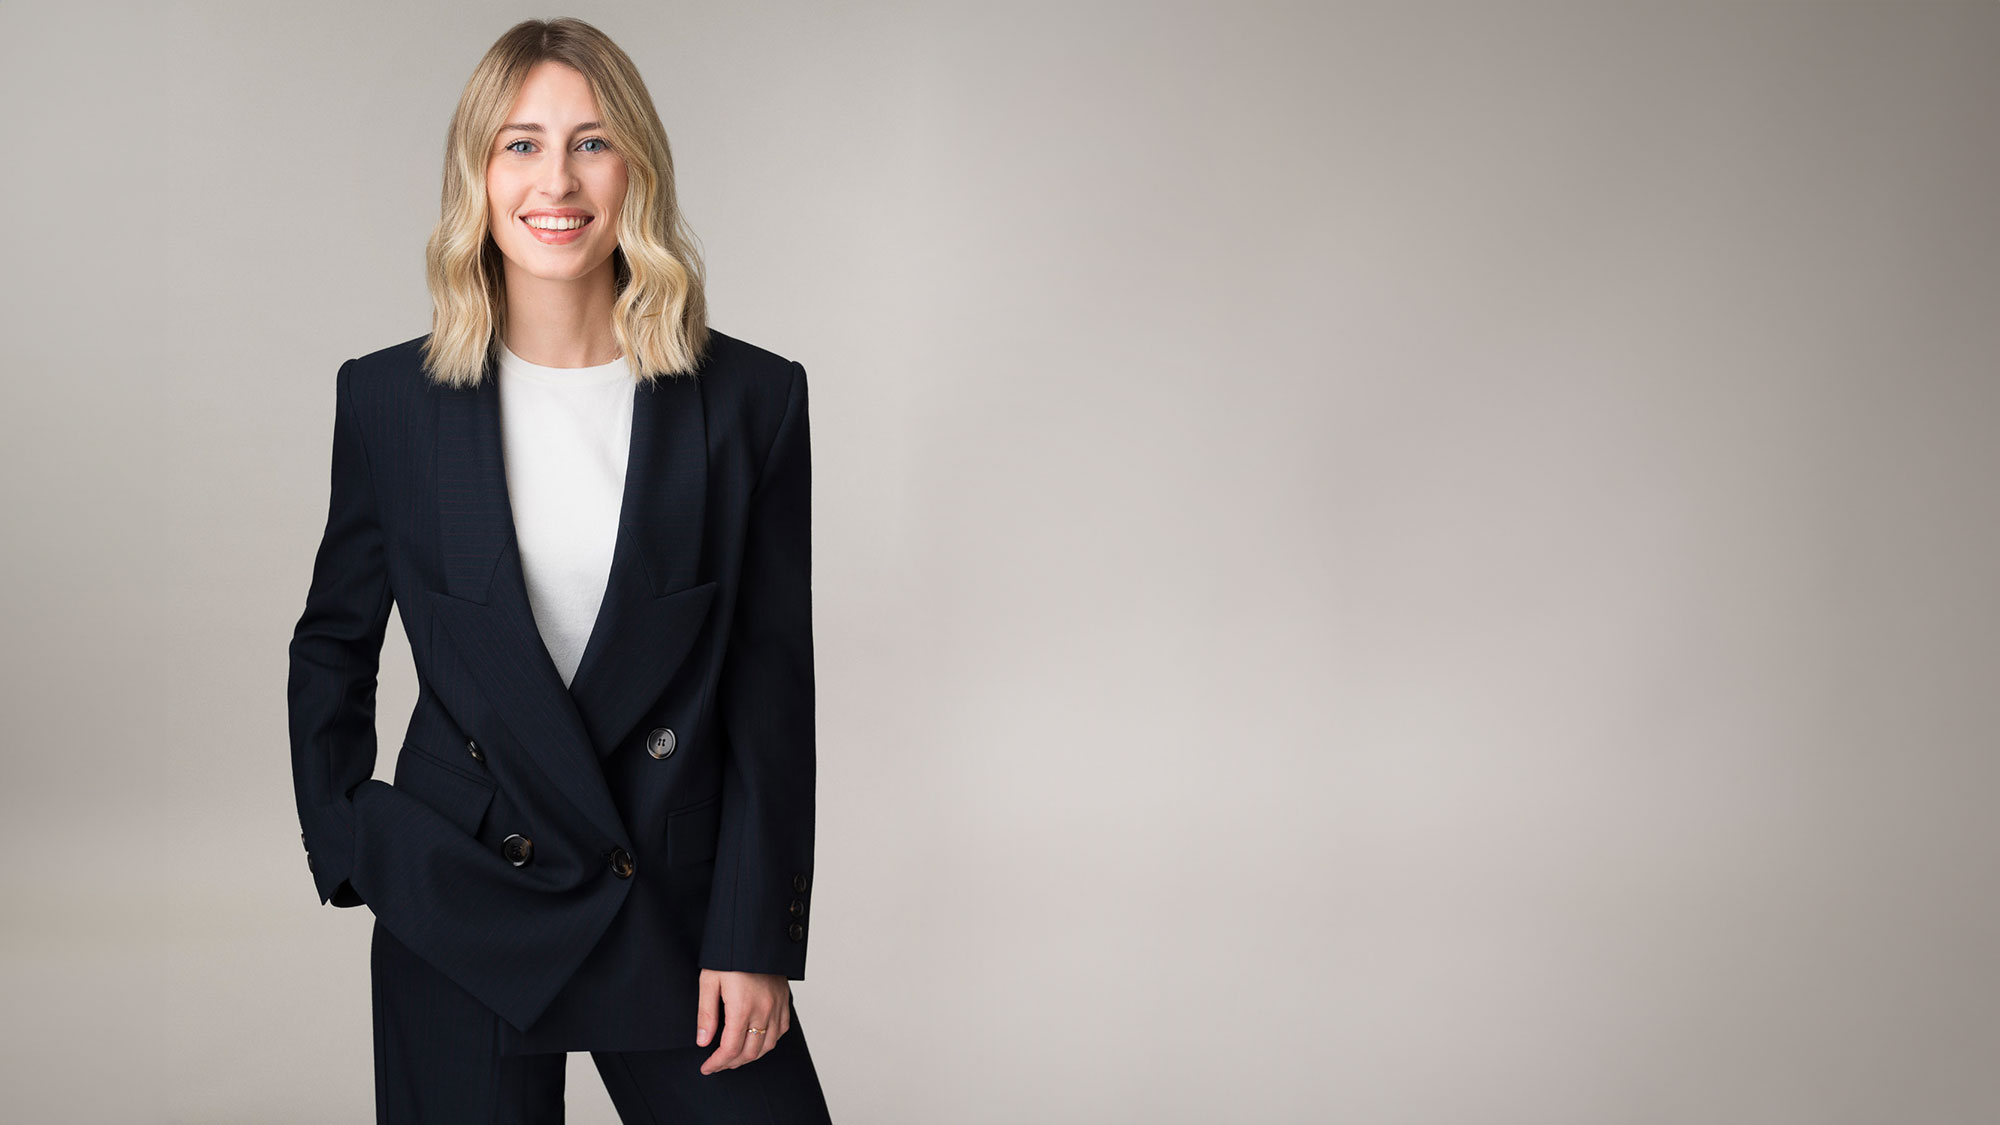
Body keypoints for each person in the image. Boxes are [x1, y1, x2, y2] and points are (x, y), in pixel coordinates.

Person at [286, 17, 834, 1122]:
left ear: (637, 169)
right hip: (463, 891)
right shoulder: (388, 401)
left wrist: (753, 935)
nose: (557, 181)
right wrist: (353, 839)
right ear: (477, 177)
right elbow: (333, 641)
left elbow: (769, 688)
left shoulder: (751, 401)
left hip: (673, 899)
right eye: (521, 145)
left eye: (592, 142)